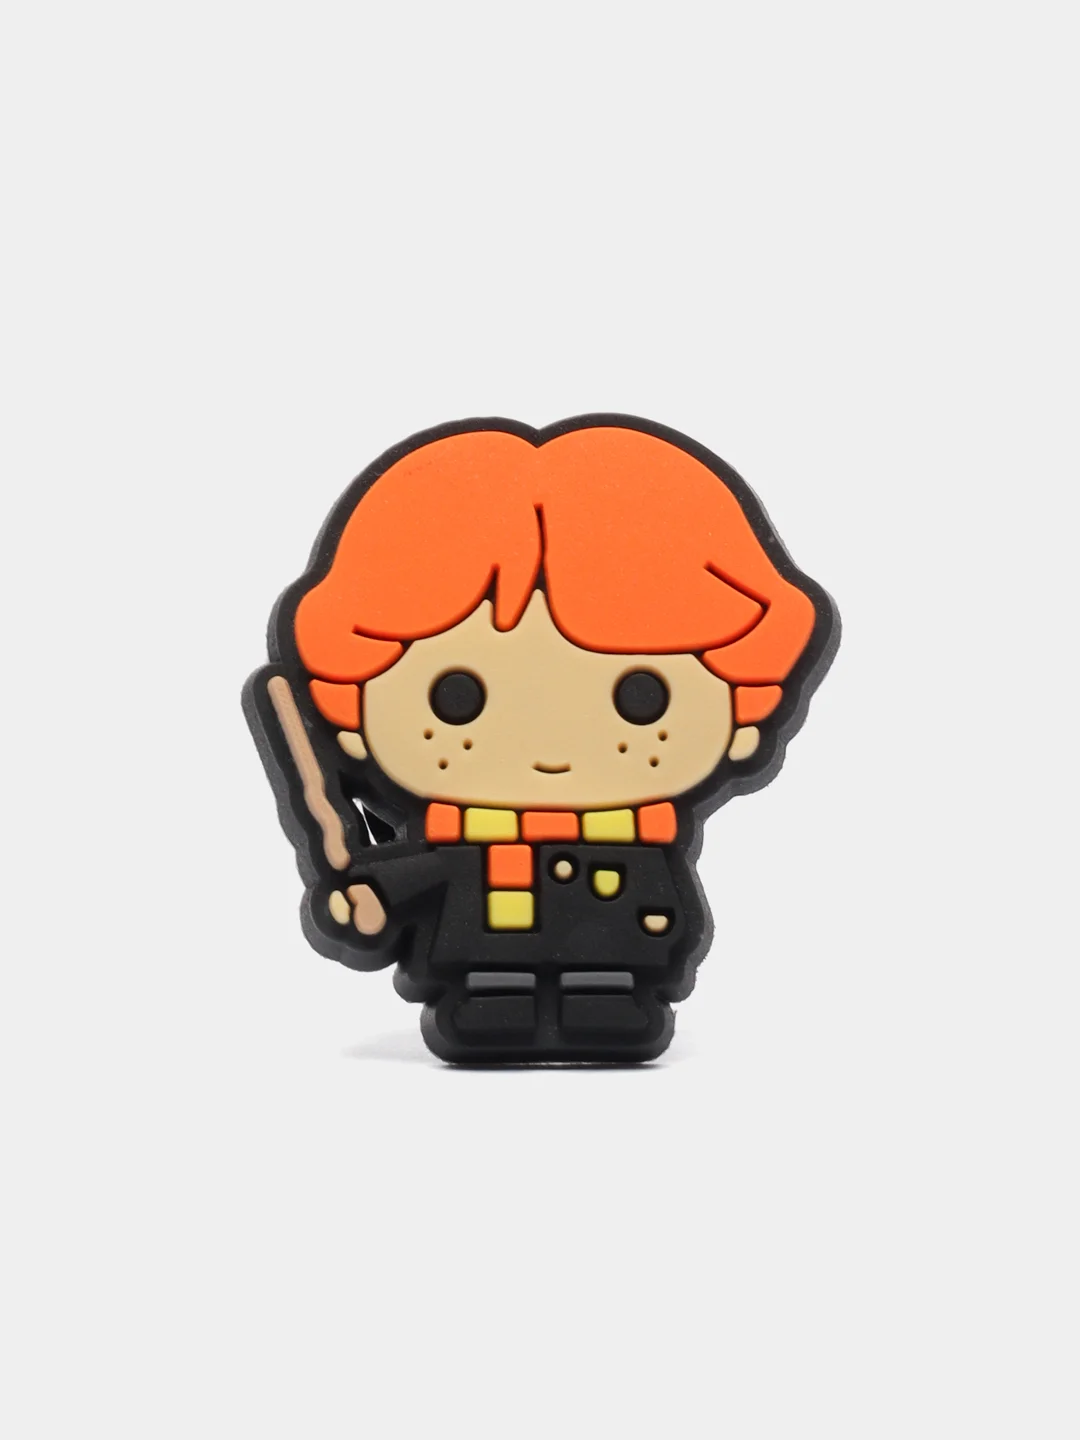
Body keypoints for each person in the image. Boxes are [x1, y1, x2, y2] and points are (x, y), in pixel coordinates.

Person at [245, 416, 837, 1062]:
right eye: (456, 698)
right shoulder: (461, 839)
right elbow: (423, 873)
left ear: (745, 714)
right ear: (353, 719)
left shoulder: (639, 835)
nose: (551, 745)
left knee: (610, 974)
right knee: (492, 984)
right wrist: (376, 896)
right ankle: (495, 998)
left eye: (641, 697)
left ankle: (607, 996)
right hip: (480, 944)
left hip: (625, 934)